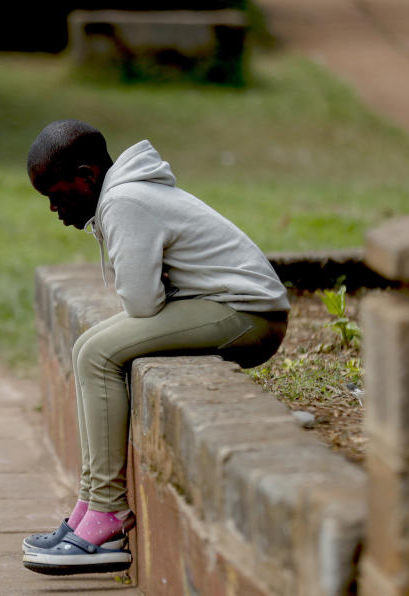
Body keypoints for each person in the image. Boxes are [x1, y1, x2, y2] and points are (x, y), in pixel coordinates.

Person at [21, 120, 290, 575]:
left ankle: (106, 513)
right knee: (90, 345)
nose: (52, 207)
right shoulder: (124, 196)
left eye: (57, 193)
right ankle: (91, 505)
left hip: (249, 316)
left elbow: (142, 304)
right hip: (224, 307)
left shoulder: (125, 201)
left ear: (87, 176)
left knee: (97, 354)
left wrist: (156, 285)